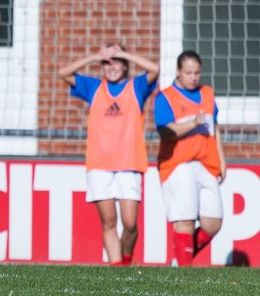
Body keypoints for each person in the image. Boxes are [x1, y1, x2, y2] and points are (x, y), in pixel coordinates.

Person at [58, 44, 159, 265]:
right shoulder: (94, 87)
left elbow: (154, 69)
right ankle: (117, 270)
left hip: (129, 163)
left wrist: (122, 53)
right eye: (107, 63)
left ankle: (126, 258)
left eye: (116, 62)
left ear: (125, 66)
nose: (111, 67)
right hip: (99, 164)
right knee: (109, 221)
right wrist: (94, 57)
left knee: (130, 223)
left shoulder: (136, 87)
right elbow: (63, 73)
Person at [155, 50, 227, 266]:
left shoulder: (207, 93)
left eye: (197, 72)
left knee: (213, 222)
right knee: (185, 219)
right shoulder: (166, 97)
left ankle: (179, 261)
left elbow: (214, 126)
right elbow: (165, 131)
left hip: (206, 163)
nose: (193, 77)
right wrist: (192, 123)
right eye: (188, 72)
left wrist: (222, 160)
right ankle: (184, 275)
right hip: (178, 164)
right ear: (178, 71)